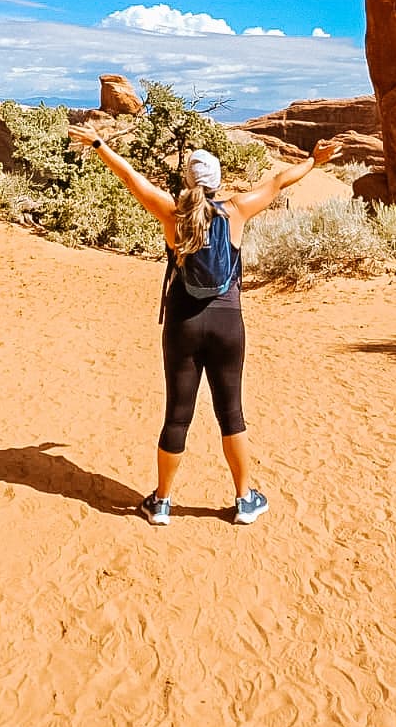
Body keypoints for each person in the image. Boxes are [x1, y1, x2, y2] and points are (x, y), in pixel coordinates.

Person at [67, 126, 343, 526]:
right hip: (227, 323)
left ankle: (161, 502)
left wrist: (99, 145)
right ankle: (245, 499)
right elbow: (280, 180)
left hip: (182, 324)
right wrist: (313, 161)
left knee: (178, 415)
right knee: (231, 412)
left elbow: (130, 177)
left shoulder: (171, 212)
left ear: (188, 182)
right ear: (217, 183)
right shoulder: (237, 210)